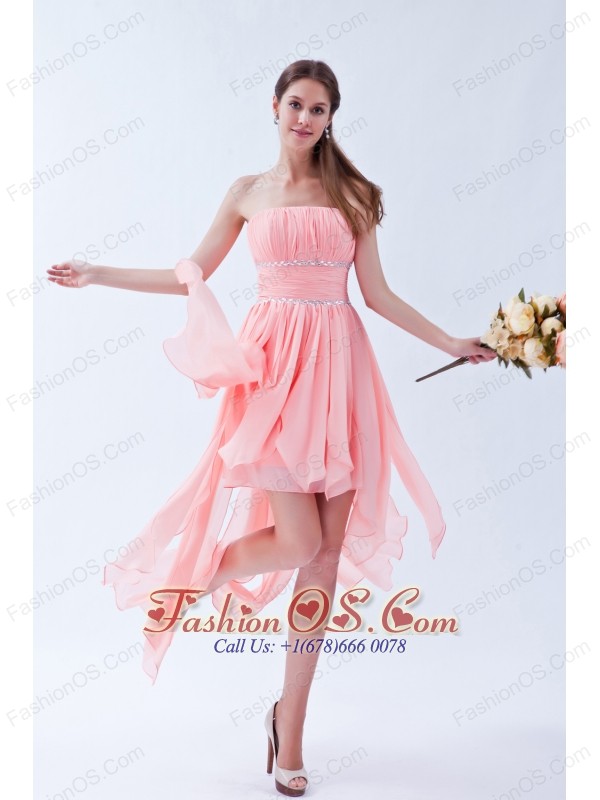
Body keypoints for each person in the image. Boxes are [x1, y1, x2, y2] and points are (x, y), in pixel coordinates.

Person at [47, 59, 495, 797]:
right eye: (296, 104)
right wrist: (99, 272)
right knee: (298, 540)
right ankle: (202, 571)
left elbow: (377, 295)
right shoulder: (246, 193)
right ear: (275, 108)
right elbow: (188, 273)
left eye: (319, 109)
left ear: (331, 117)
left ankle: (291, 727)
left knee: (322, 562)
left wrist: (450, 341)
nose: (305, 118)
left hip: (340, 373)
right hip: (276, 376)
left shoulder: (355, 195)